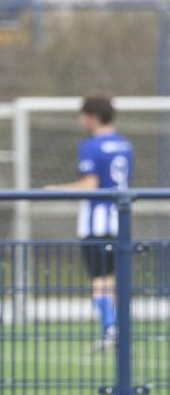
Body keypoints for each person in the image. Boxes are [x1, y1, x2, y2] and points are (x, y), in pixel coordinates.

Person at [45, 92, 134, 351]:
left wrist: (56, 190)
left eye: (83, 115)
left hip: (97, 222)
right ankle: (117, 331)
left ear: (94, 117)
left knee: (99, 279)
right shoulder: (125, 145)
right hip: (120, 219)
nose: (80, 120)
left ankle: (111, 330)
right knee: (111, 279)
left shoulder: (92, 146)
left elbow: (90, 184)